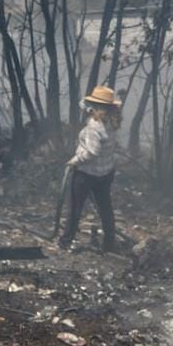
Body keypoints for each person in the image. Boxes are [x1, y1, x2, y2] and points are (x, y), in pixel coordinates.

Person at [58, 85, 121, 252]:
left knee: (75, 208)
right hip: (105, 173)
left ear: (97, 108)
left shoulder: (94, 126)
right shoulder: (112, 121)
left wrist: (74, 161)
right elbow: (84, 105)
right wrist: (89, 103)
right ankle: (109, 243)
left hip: (86, 174)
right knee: (105, 208)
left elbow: (92, 152)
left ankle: (65, 241)